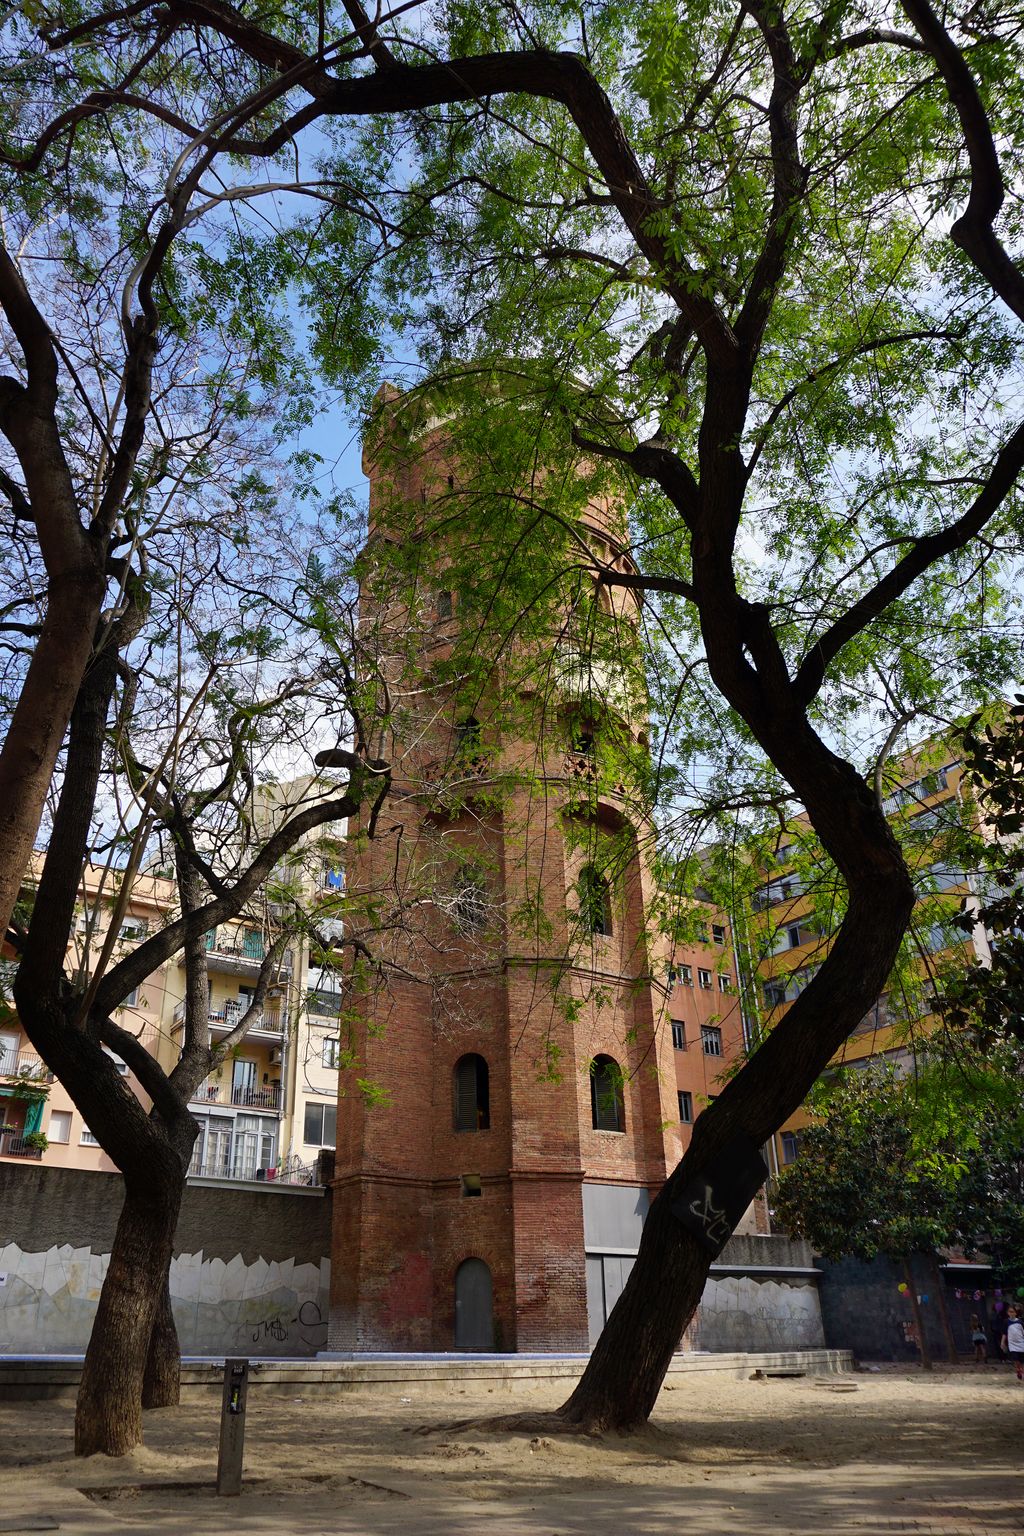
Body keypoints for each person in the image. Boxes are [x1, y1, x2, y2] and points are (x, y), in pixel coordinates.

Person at [1001, 1305, 1024, 1380]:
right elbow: (1004, 1333)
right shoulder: (1006, 1322)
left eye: (1012, 1312)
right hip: (1012, 1344)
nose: (1011, 1313)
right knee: (1015, 1358)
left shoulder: (1020, 1322)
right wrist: (1002, 1342)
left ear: (1015, 1313)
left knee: (1021, 1359)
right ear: (1008, 1313)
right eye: (1009, 1312)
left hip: (1021, 1342)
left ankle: (1021, 1369)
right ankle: (1018, 1369)